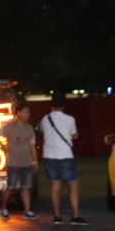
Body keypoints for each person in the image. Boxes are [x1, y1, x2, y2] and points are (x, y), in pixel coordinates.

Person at [40, 92, 87, 224]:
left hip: (49, 155)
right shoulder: (70, 119)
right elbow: (74, 135)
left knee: (55, 186)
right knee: (73, 185)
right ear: (64, 106)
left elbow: (45, 133)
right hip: (65, 154)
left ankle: (57, 216)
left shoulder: (45, 119)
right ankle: (75, 216)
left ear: (52, 106)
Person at [0, 101, 39, 220]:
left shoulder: (29, 128)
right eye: (25, 112)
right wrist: (3, 145)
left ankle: (27, 211)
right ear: (18, 113)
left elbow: (32, 145)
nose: (28, 114)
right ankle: (3, 208)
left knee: (26, 187)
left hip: (26, 162)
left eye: (28, 112)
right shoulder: (8, 126)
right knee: (11, 186)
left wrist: (35, 161)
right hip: (13, 162)